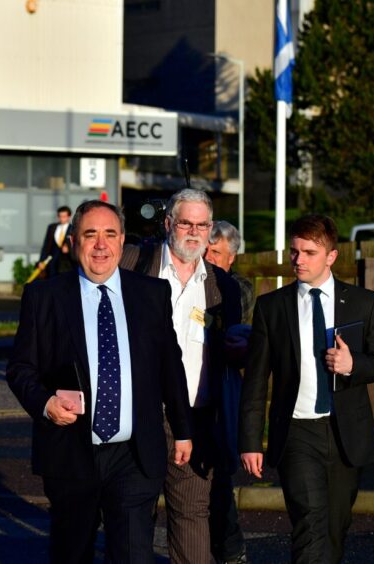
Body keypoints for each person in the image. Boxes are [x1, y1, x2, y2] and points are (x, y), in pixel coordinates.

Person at [7, 200, 192, 563]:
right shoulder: (44, 298)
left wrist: (183, 429)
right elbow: (20, 369)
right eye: (90, 235)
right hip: (71, 453)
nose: (101, 245)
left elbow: (170, 366)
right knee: (72, 553)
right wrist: (45, 403)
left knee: (133, 553)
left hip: (133, 453)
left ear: (123, 241)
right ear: (74, 241)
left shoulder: (151, 294)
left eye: (110, 234)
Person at [239, 214, 374, 564]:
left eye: (309, 252)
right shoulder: (272, 307)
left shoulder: (362, 302)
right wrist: (250, 442)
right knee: (309, 524)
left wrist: (353, 364)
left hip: (346, 434)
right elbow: (255, 380)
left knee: (335, 529)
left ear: (330, 256)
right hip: (296, 432)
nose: (299, 260)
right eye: (295, 252)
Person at [120, 189, 245, 564]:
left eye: (202, 225)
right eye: (186, 223)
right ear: (169, 224)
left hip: (195, 417)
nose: (194, 232)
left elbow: (227, 347)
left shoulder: (223, 286)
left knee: (192, 516)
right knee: (132, 515)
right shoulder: (131, 263)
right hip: (135, 414)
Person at [207, 220, 254, 323]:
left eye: (215, 252)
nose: (207, 257)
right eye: (204, 250)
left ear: (231, 258)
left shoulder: (243, 287)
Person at [37, 205, 74, 277]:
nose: (62, 219)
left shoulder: (73, 229)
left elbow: (78, 246)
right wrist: (41, 261)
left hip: (67, 265)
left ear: (69, 216)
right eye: (60, 216)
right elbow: (46, 246)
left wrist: (69, 249)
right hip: (52, 264)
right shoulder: (52, 228)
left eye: (64, 216)